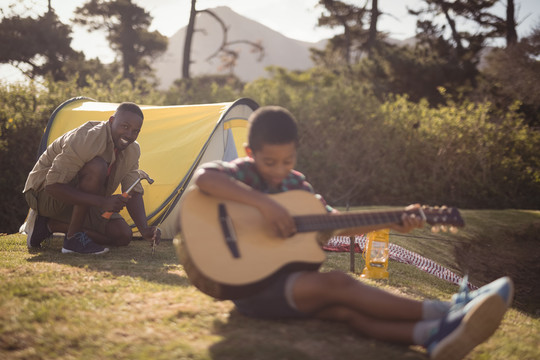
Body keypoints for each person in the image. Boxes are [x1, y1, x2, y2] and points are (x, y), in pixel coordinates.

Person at [190, 105, 514, 360]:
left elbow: (335, 225)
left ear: (296, 153)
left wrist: (392, 220)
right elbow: (205, 178)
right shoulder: (242, 173)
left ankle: (431, 335)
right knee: (338, 283)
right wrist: (263, 204)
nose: (278, 170)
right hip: (251, 289)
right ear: (250, 153)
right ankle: (450, 312)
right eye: (269, 162)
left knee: (345, 312)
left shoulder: (298, 186)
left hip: (285, 287)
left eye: (287, 160)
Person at [22, 102, 161, 254]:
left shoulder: (133, 150)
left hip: (81, 199)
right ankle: (72, 240)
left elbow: (133, 190)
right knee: (97, 166)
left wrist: (144, 229)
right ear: (111, 121)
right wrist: (102, 202)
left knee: (123, 236)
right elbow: (52, 186)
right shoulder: (88, 138)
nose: (129, 135)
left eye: (136, 131)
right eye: (125, 126)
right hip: (43, 195)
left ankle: (49, 225)